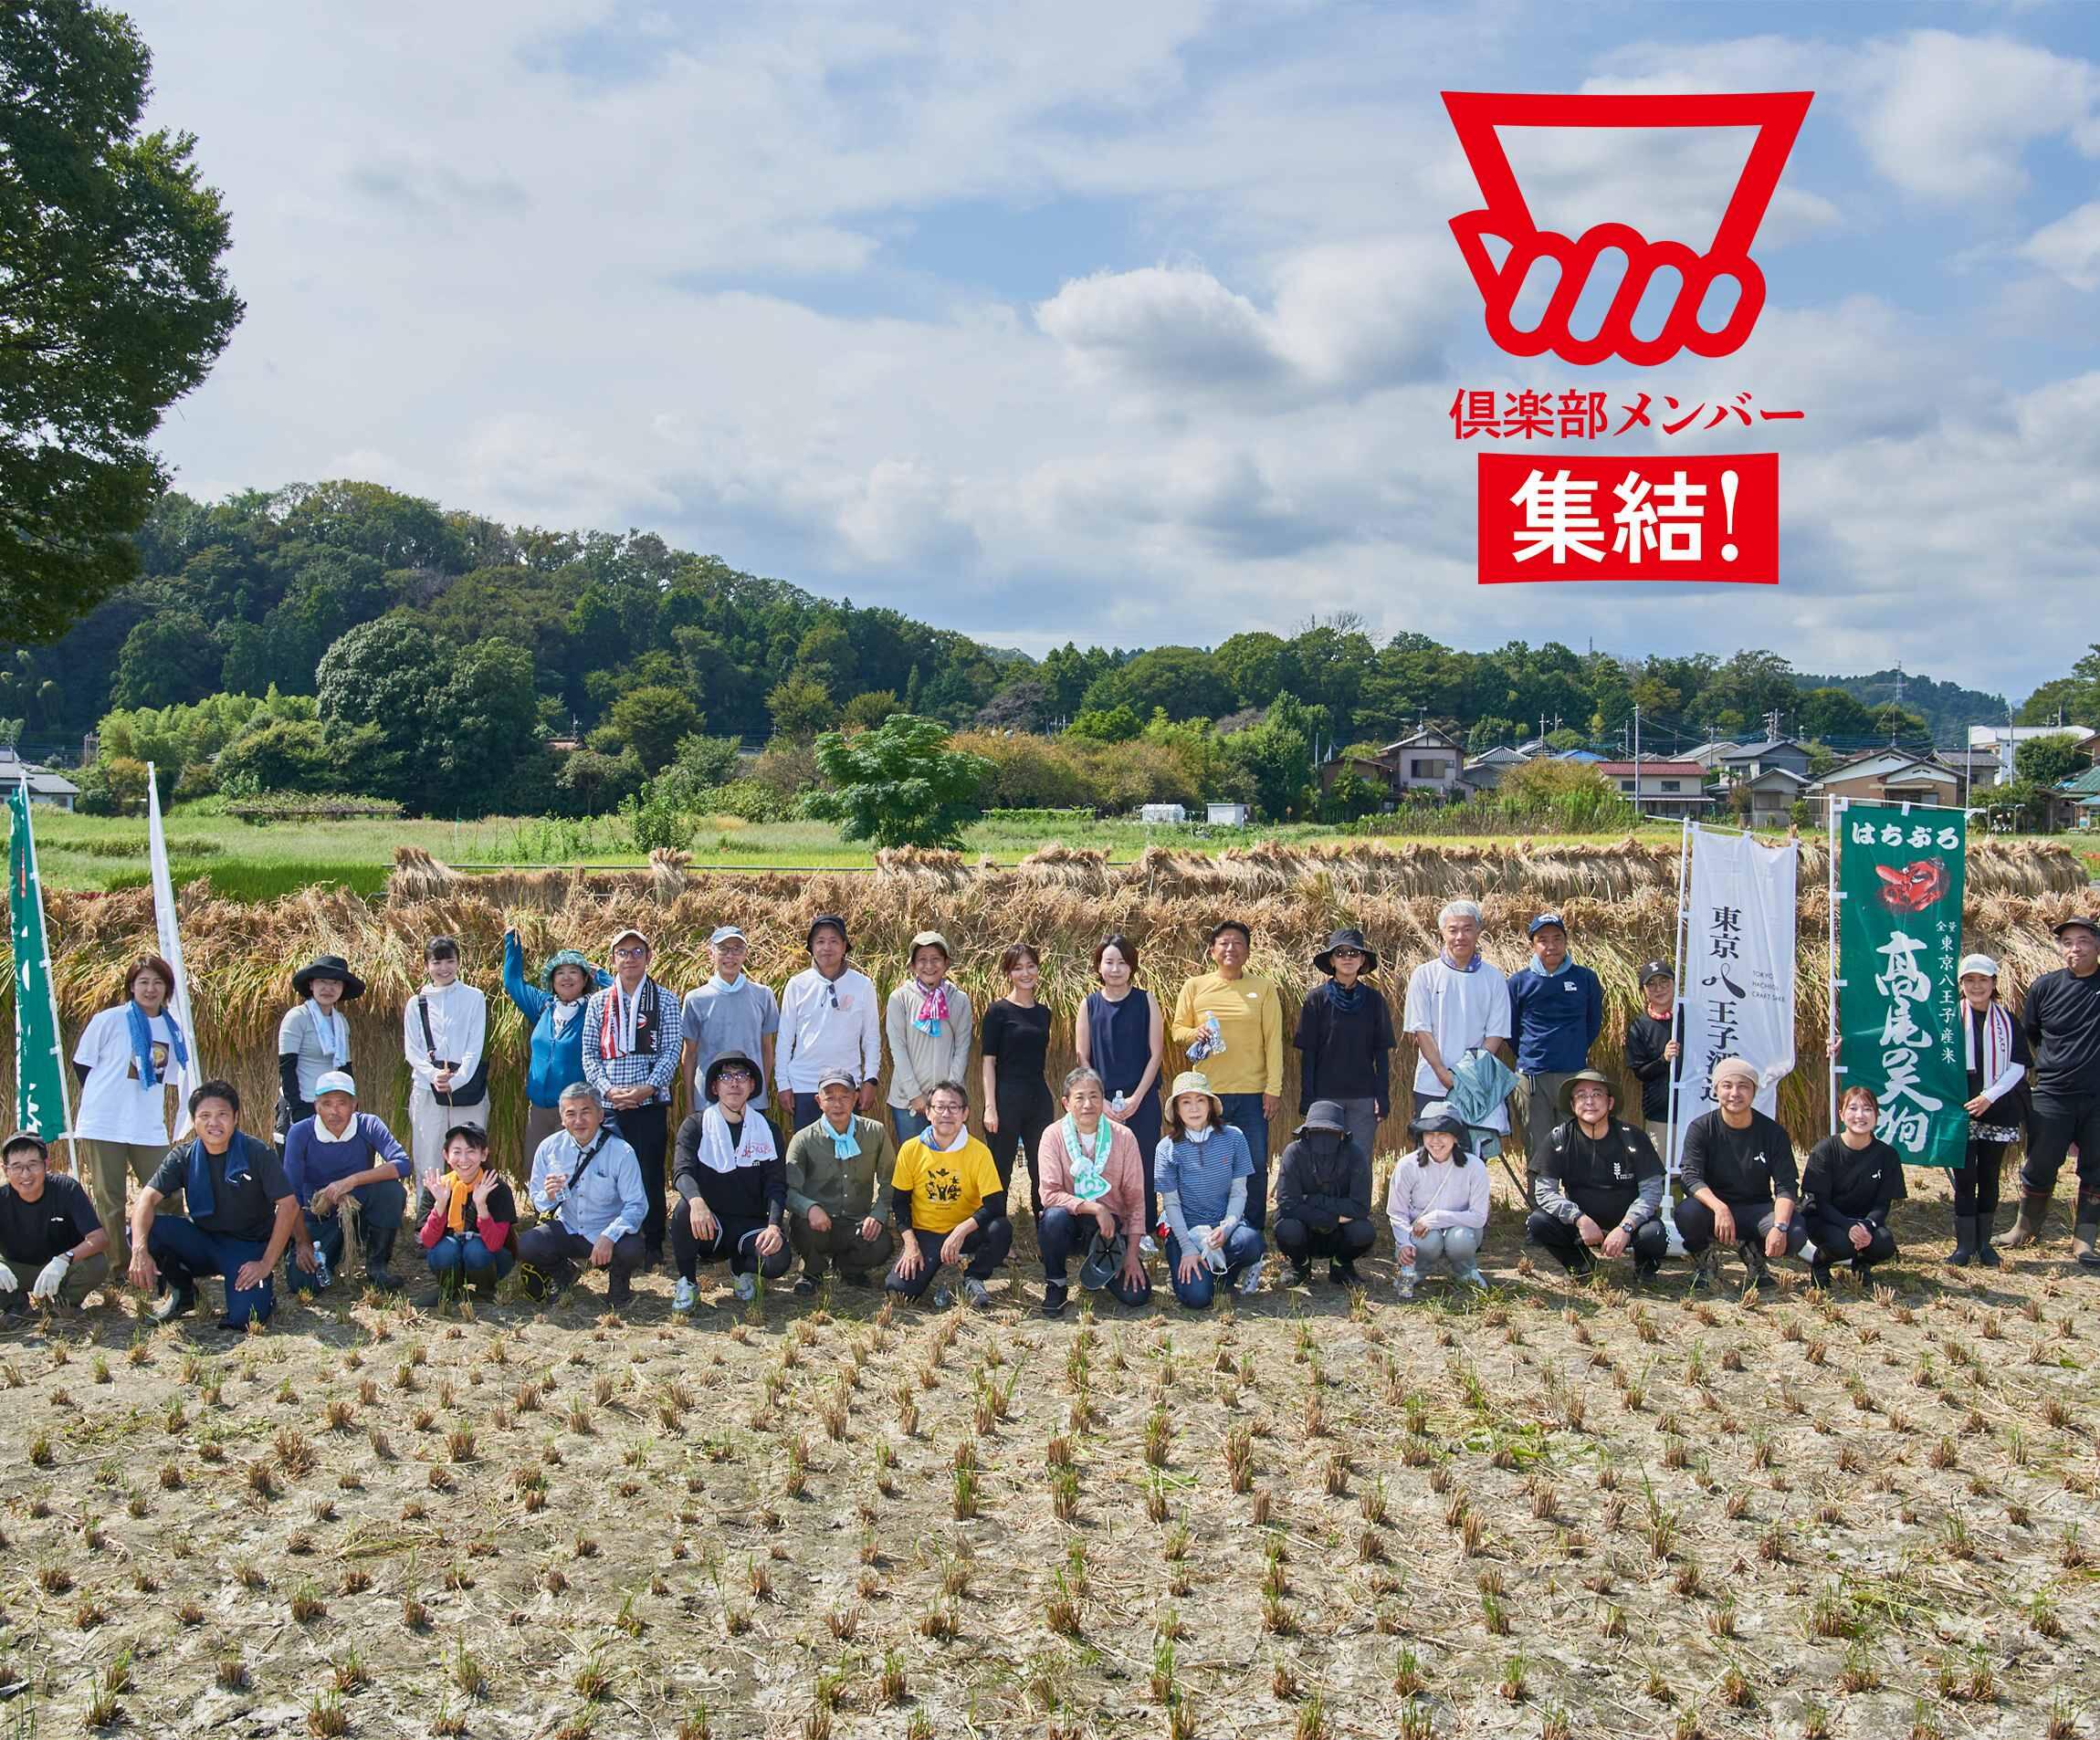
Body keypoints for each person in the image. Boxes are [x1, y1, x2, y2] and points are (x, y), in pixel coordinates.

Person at [130, 1081, 304, 1331]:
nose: (214, 1123)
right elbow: (146, 1199)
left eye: (222, 1114)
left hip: (247, 1246)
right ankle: (183, 1292)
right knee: (144, 1231)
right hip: (203, 1239)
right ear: (194, 1121)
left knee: (248, 1317)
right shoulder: (183, 1156)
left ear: (235, 1117)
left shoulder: (257, 1153)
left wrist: (266, 1263)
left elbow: (289, 1205)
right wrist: (139, 1250)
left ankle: (262, 1294)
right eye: (205, 1116)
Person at [70, 955, 188, 1277]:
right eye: (143, 982)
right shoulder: (109, 1020)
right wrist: (109, 1099)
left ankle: (169, 1262)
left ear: (167, 988)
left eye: (158, 982)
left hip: (147, 1126)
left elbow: (169, 1077)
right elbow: (82, 1064)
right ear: (131, 987)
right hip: (103, 1124)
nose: (150, 989)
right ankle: (119, 1270)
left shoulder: (173, 1029)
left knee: (167, 1194)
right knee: (110, 1199)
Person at [1171, 920, 1285, 1231]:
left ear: (1247, 952)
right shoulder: (1194, 986)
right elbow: (1177, 1030)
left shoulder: (1264, 988)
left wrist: (1273, 1088)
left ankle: (1252, 1227)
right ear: (1212, 950)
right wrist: (1195, 1032)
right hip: (1207, 1093)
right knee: (1205, 1161)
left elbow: (1273, 1041)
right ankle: (1208, 1222)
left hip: (1252, 1093)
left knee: (1254, 1162)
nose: (1230, 948)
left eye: (1238, 943)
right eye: (1223, 942)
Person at [582, 928, 680, 1265]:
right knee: (608, 1173)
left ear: (648, 957)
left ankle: (653, 1241)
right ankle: (611, 1239)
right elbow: (589, 1054)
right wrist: (607, 1090)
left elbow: (671, 1051)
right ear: (613, 959)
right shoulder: (598, 1002)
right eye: (623, 953)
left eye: (637, 951)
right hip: (609, 1105)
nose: (630, 958)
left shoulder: (665, 999)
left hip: (648, 1103)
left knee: (649, 1172)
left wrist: (647, 1088)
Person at [2009, 916, 2100, 1266]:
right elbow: (2031, 1034)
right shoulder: (2045, 987)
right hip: (2052, 1092)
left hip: (2097, 1097)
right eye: (2068, 942)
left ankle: (2084, 1241)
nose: (2075, 948)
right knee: (2040, 1162)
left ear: (2097, 945)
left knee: (2096, 1166)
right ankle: (2025, 1229)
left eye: (2083, 941)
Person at [669, 1052, 791, 1312]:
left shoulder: (768, 1130)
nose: (734, 1083)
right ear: (715, 1087)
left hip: (749, 1225)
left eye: (741, 1076)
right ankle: (688, 1281)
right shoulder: (696, 1125)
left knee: (778, 1260)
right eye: (726, 1077)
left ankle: (740, 1268)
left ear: (752, 1085)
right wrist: (698, 1203)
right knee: (683, 1209)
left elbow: (776, 1184)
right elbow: (682, 1171)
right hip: (710, 1225)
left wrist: (773, 1227)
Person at [1524, 1071, 1668, 1283]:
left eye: (1597, 1094)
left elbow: (1652, 1191)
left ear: (1610, 1103)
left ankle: (1645, 1270)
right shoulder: (1559, 1139)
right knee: (1538, 1222)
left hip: (1629, 1223)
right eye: (1581, 1095)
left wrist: (1626, 1226)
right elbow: (1545, 1192)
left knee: (1654, 1234)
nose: (1589, 1101)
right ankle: (1582, 1265)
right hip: (1580, 1223)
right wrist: (1579, 1218)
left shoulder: (1633, 1137)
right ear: (1572, 1105)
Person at [518, 1083, 648, 1308]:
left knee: (632, 1248)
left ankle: (619, 1283)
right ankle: (564, 1273)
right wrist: (549, 1195)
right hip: (568, 1227)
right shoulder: (549, 1148)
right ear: (562, 1119)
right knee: (528, 1244)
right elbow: (539, 1201)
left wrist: (610, 1235)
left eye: (585, 1112)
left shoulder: (622, 1152)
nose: (578, 1121)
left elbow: (637, 1205)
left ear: (600, 1115)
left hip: (606, 1232)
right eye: (571, 1114)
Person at [280, 1070, 411, 1295]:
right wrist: (302, 1242)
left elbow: (403, 1164)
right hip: (318, 1219)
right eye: (326, 1103)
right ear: (316, 1106)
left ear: (354, 1105)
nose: (334, 1111)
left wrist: (352, 1181)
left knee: (391, 1191)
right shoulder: (300, 1133)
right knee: (303, 1284)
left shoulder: (368, 1125)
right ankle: (321, 1251)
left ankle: (377, 1266)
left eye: (342, 1103)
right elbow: (291, 1195)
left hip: (357, 1214)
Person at [1034, 1067, 1151, 1316]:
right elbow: (1049, 1194)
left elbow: (1135, 1200)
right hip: (1069, 1223)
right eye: (1079, 1097)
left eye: (1094, 1096)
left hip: (1109, 1230)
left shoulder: (1124, 1137)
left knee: (1137, 1296)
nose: (1087, 1104)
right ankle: (1056, 1283)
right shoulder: (1052, 1136)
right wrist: (1096, 1208)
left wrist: (1131, 1254)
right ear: (1066, 1103)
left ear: (1102, 1100)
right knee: (1052, 1218)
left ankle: (1102, 1265)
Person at [1676, 1057, 1802, 1288]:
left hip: (1757, 1209)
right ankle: (1705, 1259)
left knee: (1794, 1231)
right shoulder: (1701, 1128)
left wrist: (1780, 1226)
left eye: (1743, 1086)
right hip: (1713, 1209)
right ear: (1716, 1090)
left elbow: (1786, 1185)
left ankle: (1754, 1254)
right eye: (1727, 1085)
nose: (1735, 1093)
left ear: (1754, 1092)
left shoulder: (1773, 1133)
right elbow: (1690, 1177)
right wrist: (1719, 1207)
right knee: (1687, 1212)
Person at [885, 1080, 1012, 1307]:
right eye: (940, 1107)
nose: (946, 1114)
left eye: (954, 1107)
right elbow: (900, 1203)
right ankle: (941, 1265)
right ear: (928, 1112)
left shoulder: (979, 1152)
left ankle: (973, 1275)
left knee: (1001, 1229)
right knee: (899, 1291)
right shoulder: (910, 1150)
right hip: (927, 1232)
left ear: (965, 1113)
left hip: (967, 1232)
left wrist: (960, 1231)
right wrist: (911, 1244)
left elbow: (995, 1205)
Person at [1507, 912, 1604, 1201]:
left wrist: (1571, 1050)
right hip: (1532, 1076)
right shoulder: (1519, 982)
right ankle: (1540, 1208)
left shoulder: (1585, 978)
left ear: (1566, 941)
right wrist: (1533, 1054)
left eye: (1557, 938)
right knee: (1538, 1144)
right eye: (1543, 940)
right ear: (1533, 945)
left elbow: (1593, 1024)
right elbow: (1510, 1029)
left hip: (1573, 1076)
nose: (1551, 946)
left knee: (1575, 1141)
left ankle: (1576, 1206)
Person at [1075, 933, 1165, 1232]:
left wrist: (1137, 1098)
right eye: (1109, 962)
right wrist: (1100, 1102)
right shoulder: (1089, 1005)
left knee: (1143, 1164)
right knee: (1105, 1164)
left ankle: (1144, 1228)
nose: (1115, 969)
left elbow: (1156, 1054)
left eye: (1123, 963)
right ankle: (1108, 1228)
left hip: (1142, 1098)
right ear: (1099, 966)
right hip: (1102, 1102)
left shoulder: (1146, 1000)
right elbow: (1082, 1057)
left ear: (1132, 967)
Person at [1402, 902, 1513, 1138]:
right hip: (1432, 1084)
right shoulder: (1424, 975)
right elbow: (1421, 1031)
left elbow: (1496, 1034)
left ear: (1478, 932)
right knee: (1431, 1151)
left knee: (1473, 1153)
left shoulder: (1494, 978)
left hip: (1476, 1085)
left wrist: (1467, 1077)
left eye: (1467, 929)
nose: (1460, 936)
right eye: (1453, 930)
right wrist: (1443, 1073)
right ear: (1442, 933)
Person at [782, 1068, 898, 1295]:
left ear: (856, 1098)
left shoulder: (875, 1132)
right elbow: (788, 1189)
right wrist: (810, 1208)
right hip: (818, 1224)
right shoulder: (803, 1139)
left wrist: (877, 1214)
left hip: (856, 1222)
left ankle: (849, 1268)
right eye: (830, 1098)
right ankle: (812, 1271)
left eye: (845, 1096)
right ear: (819, 1101)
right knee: (800, 1226)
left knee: (882, 1244)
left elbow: (890, 1180)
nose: (838, 1104)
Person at [1154, 1070, 1265, 1306]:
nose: (1194, 1108)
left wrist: (1226, 1228)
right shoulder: (1166, 1148)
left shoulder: (1234, 1138)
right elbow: (1171, 1203)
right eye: (1186, 1102)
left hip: (1222, 1226)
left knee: (1251, 1242)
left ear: (1210, 1105)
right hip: (1186, 1230)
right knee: (1198, 1299)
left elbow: (1239, 1192)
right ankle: (1189, 1269)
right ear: (1176, 1109)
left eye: (1200, 1100)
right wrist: (1187, 1247)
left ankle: (1226, 1277)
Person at [502, 928, 612, 1161]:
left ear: (585, 980)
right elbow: (513, 983)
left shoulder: (594, 1009)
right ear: (552, 981)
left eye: (574, 972)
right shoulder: (543, 1006)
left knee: (572, 1171)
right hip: (539, 1111)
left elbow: (622, 998)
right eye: (560, 972)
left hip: (576, 1112)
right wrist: (512, 940)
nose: (566, 977)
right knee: (536, 1169)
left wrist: (601, 975)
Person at [1294, 927, 1395, 1170]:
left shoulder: (1375, 1001)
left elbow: (1381, 1054)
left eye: (1353, 953)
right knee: (1325, 1160)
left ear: (1362, 960)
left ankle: (1358, 1199)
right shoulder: (1315, 999)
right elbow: (1308, 1054)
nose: (1347, 958)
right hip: (1325, 1096)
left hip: (1363, 1098)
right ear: (1331, 960)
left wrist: (1382, 1096)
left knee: (1360, 1160)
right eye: (1340, 953)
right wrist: (1308, 1098)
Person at [1949, 953, 2028, 1267]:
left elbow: (2019, 1065)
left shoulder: (2008, 1021)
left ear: (1994, 983)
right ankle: (1963, 1246)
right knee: (1964, 1177)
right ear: (1961, 984)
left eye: (1983, 980)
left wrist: (1989, 1096)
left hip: (1998, 1107)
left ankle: (1985, 1245)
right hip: (1960, 1109)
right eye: (1970, 980)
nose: (1976, 986)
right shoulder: (1949, 1019)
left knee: (1989, 1175)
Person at [778, 916, 882, 1134]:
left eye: (834, 941)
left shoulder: (863, 985)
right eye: (820, 941)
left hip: (847, 1086)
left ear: (844, 946)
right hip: (804, 1085)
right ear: (811, 947)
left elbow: (871, 1037)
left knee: (847, 1149)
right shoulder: (797, 985)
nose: (827, 947)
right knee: (809, 1150)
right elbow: (785, 1039)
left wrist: (870, 1080)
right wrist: (783, 1084)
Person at [402, 936, 489, 1180]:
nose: (444, 968)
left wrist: (457, 1080)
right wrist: (434, 1076)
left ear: (459, 962)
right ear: (426, 965)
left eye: (450, 961)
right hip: (427, 1089)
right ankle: (429, 1205)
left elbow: (475, 1046)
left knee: (470, 1154)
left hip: (467, 1088)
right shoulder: (416, 1003)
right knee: (428, 1157)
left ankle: (471, 1204)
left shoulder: (474, 997)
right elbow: (412, 1049)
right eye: (436, 962)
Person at [1800, 1085, 1902, 1287]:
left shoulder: (1887, 1155)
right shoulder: (1825, 1150)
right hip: (1826, 1219)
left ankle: (1862, 1263)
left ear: (1876, 1115)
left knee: (1884, 1244)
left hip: (1863, 1220)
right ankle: (1821, 1263)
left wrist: (1867, 1225)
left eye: (1867, 1109)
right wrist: (1848, 1226)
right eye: (1853, 1108)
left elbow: (1882, 1204)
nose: (1860, 1115)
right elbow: (1821, 1203)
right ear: (1841, 1114)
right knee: (1843, 1243)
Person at [1385, 1102, 1491, 1296]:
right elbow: (1396, 1211)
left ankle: (1466, 1271)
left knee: (1460, 1239)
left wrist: (1436, 1218)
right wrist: (1404, 1243)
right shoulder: (1407, 1165)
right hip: (1420, 1233)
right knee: (1428, 1240)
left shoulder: (1475, 1166)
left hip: (1462, 1230)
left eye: (1443, 1133)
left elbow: (1478, 1217)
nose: (1435, 1141)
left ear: (1455, 1137)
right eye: (1429, 1134)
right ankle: (1415, 1270)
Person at [981, 943, 1055, 1221]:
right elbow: (988, 1062)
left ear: (1038, 969)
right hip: (1006, 1097)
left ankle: (1045, 1226)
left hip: (1038, 1097)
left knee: (1042, 1167)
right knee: (1000, 1168)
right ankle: (996, 1230)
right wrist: (990, 1107)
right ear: (1008, 973)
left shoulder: (1044, 1013)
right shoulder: (997, 1011)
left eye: (1030, 966)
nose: (1026, 973)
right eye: (1018, 968)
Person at [679, 925, 781, 1124]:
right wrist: (690, 1103)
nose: (730, 956)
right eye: (723, 949)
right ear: (711, 953)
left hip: (752, 1102)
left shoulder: (763, 995)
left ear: (745, 954)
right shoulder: (696, 999)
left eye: (737, 949)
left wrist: (759, 1089)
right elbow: (689, 1054)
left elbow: (767, 1049)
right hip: (707, 1101)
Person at [0, 1130, 110, 1314]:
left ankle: (65, 1304)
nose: (25, 1174)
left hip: (62, 1270)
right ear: (5, 1170)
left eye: (32, 1164)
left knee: (97, 1264)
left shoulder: (67, 1189)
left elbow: (100, 1239)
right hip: (17, 1270)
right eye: (17, 1167)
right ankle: (16, 1307)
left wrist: (64, 1259)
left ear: (46, 1164)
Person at [1272, 1098, 1375, 1286]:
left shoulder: (1355, 1154)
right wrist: (1333, 1218)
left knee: (1364, 1232)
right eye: (1317, 1131)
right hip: (1305, 1227)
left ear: (1341, 1135)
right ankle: (1300, 1265)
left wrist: (1313, 1200)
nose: (1324, 1138)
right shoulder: (1294, 1153)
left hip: (1339, 1233)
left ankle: (1341, 1265)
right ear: (1307, 1132)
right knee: (1287, 1229)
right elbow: (1287, 1203)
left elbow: (1361, 1207)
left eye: (1331, 1132)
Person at [415, 1122, 518, 1305]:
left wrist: (481, 1206)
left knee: (475, 1249)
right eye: (457, 1152)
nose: (463, 1159)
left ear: (483, 1154)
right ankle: (449, 1288)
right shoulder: (438, 1187)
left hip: (492, 1259)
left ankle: (485, 1290)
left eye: (471, 1151)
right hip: (452, 1254)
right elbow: (427, 1241)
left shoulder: (498, 1189)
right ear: (446, 1155)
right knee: (444, 1250)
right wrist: (440, 1205)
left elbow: (494, 1244)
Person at [886, 932, 973, 1144]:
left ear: (946, 963)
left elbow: (962, 1047)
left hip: (948, 1105)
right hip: (908, 1101)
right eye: (922, 960)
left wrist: (949, 1096)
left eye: (935, 959)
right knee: (915, 1158)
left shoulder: (958, 999)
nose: (929, 966)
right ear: (912, 965)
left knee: (947, 1159)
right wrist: (915, 1095)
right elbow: (898, 1048)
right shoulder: (900, 998)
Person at [277, 954, 363, 1140]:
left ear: (342, 988)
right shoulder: (297, 1017)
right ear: (311, 985)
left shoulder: (341, 1022)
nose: (328, 988)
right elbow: (287, 1067)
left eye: (335, 983)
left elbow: (345, 1068)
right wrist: (298, 1109)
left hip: (332, 1107)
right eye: (322, 981)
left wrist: (349, 1104)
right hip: (302, 1104)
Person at [1622, 960, 1684, 1163]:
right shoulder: (1640, 1026)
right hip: (1660, 1112)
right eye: (1652, 984)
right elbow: (1640, 1071)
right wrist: (1663, 1059)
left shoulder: (1691, 1017)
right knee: (1663, 1169)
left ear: (1674, 983)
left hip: (1695, 1107)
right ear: (1644, 991)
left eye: (1664, 982)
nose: (1659, 989)